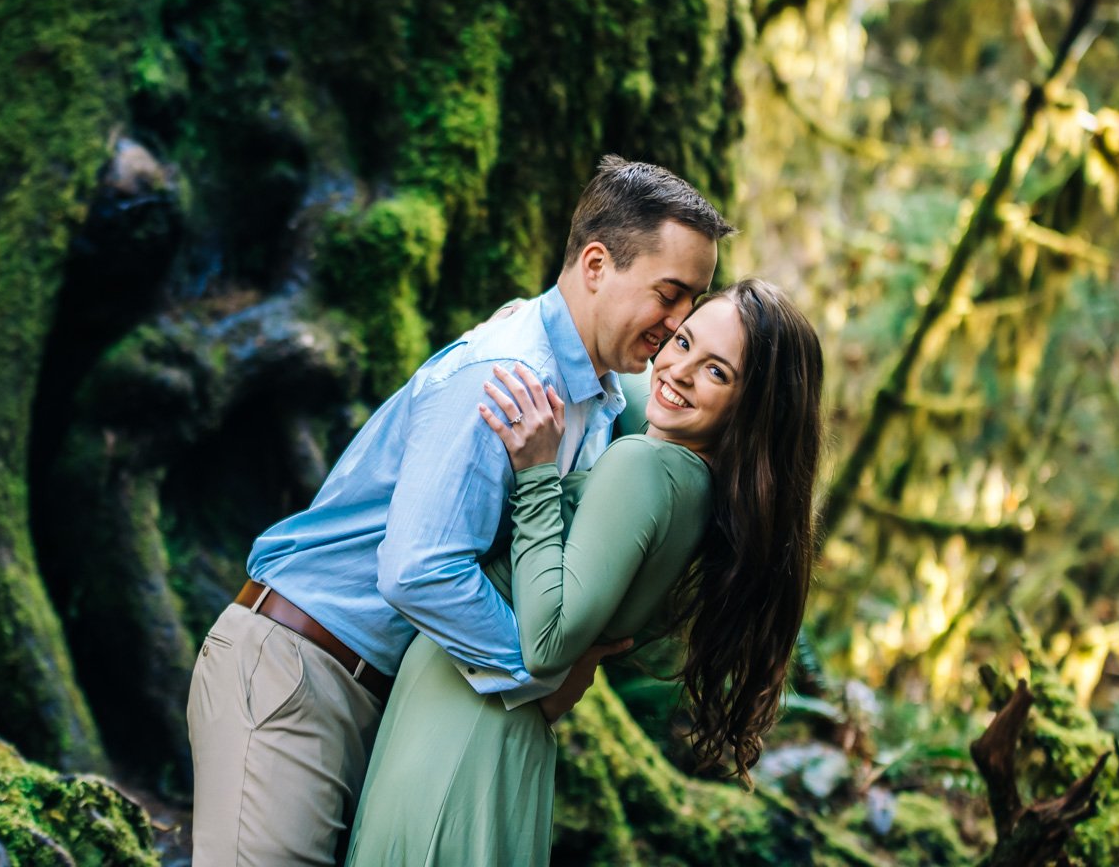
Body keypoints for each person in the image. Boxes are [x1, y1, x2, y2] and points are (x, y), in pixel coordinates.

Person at [186, 157, 733, 866]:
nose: (679, 323)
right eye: (670, 294)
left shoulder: (595, 407)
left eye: (694, 301)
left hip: (387, 701)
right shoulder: (506, 376)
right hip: (300, 672)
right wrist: (541, 673)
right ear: (596, 264)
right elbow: (419, 570)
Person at [345, 278, 824, 865]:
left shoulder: (642, 466)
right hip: (488, 728)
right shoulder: (697, 487)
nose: (676, 371)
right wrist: (536, 324)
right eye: (681, 342)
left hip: (463, 729)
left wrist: (537, 473)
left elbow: (547, 643)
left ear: (754, 408)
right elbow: (630, 378)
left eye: (717, 372)